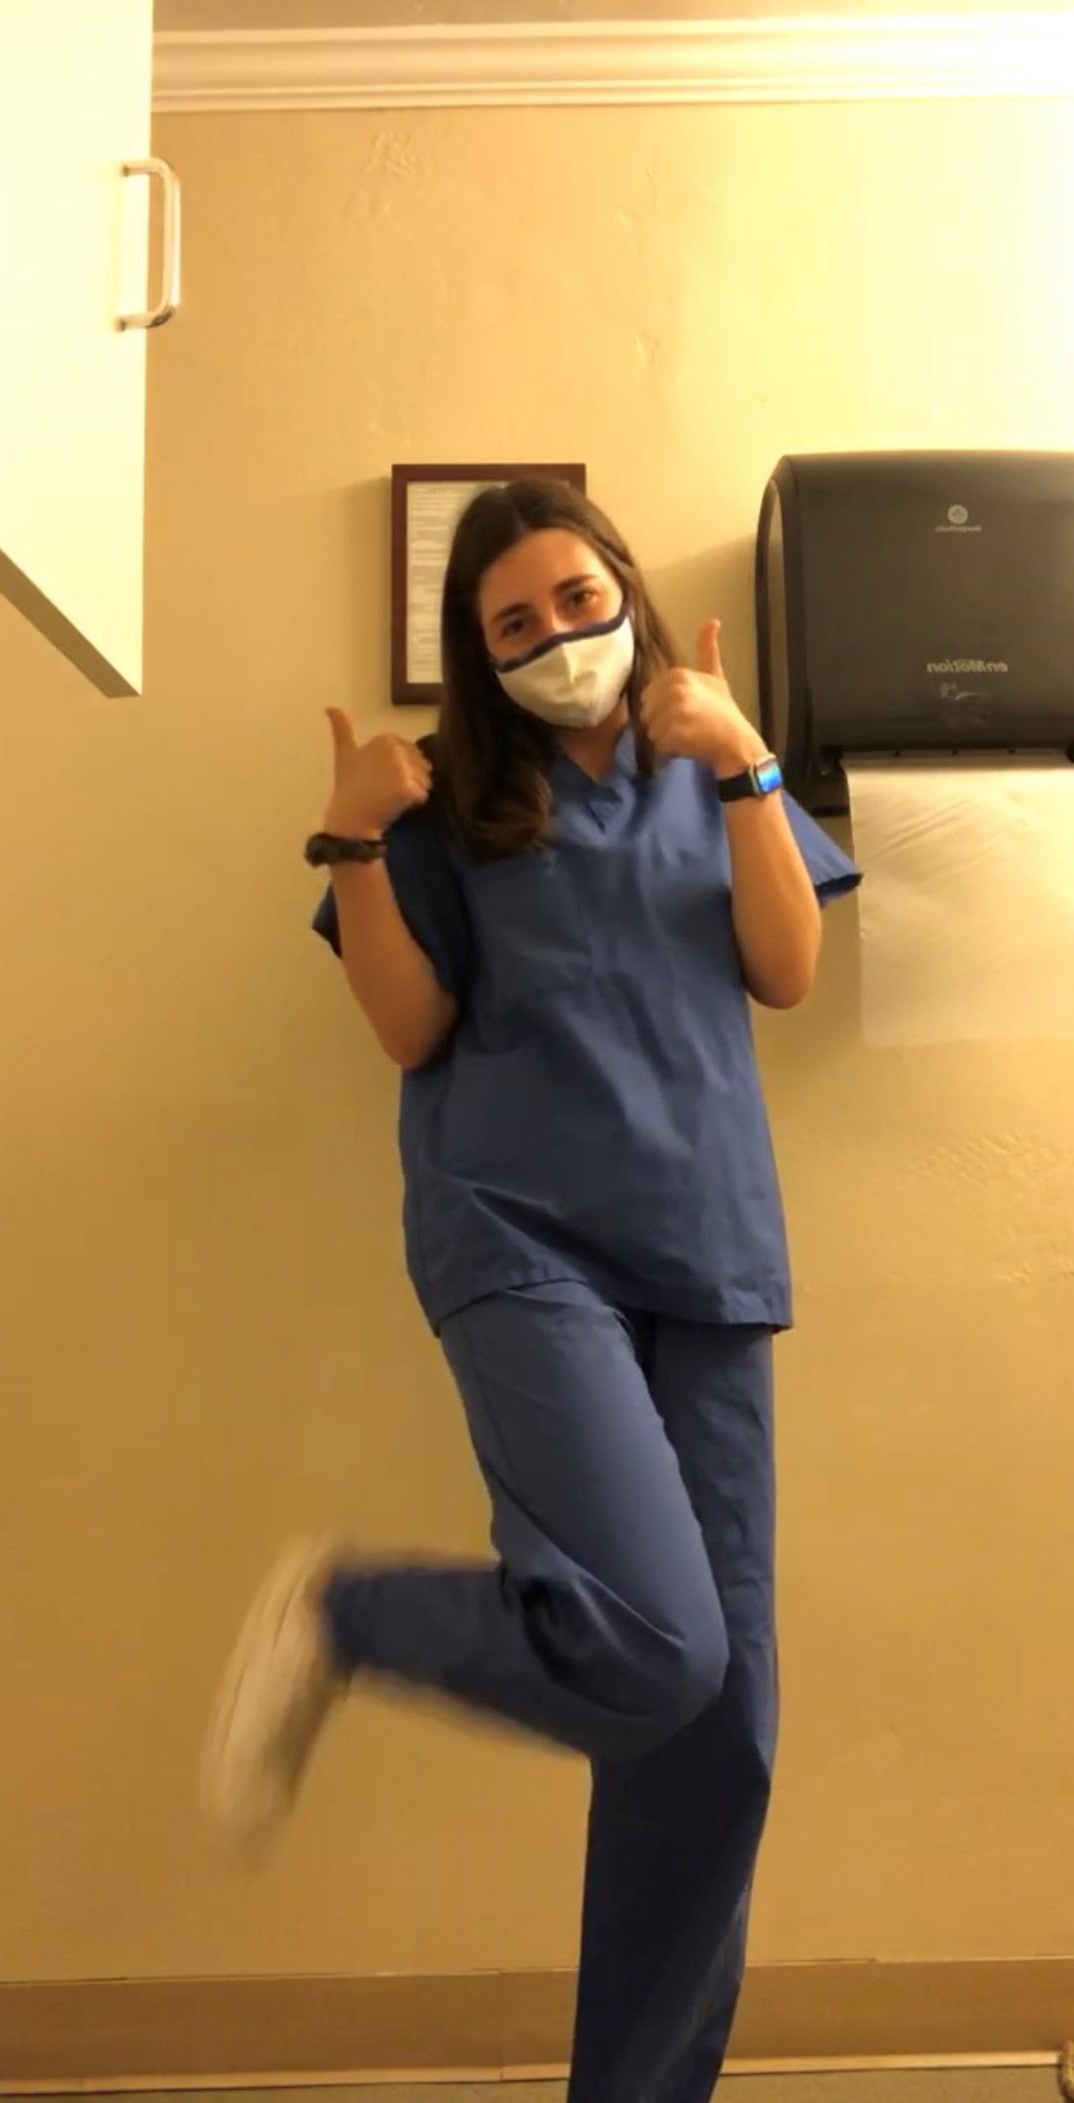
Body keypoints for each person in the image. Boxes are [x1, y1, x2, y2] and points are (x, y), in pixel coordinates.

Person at [201, 478, 861, 2103]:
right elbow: (407, 1031)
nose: (555, 637)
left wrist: (746, 763)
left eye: (575, 600)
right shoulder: (441, 808)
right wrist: (354, 829)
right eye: (511, 623)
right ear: (472, 654)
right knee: (650, 1646)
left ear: (623, 592)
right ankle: (349, 1610)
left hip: (705, 1254)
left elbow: (785, 971)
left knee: (716, 1731)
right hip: (519, 1245)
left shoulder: (708, 765)